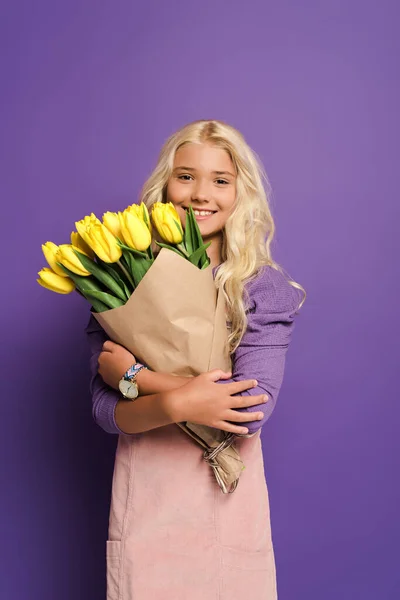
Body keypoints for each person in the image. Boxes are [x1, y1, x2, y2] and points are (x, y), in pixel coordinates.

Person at [85, 119, 306, 600]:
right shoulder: (121, 282)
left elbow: (249, 411)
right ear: (165, 185)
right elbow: (105, 413)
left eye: (220, 180)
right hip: (146, 504)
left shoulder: (261, 287)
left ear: (239, 191)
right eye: (185, 176)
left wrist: (138, 378)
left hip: (225, 507)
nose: (199, 194)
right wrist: (180, 400)